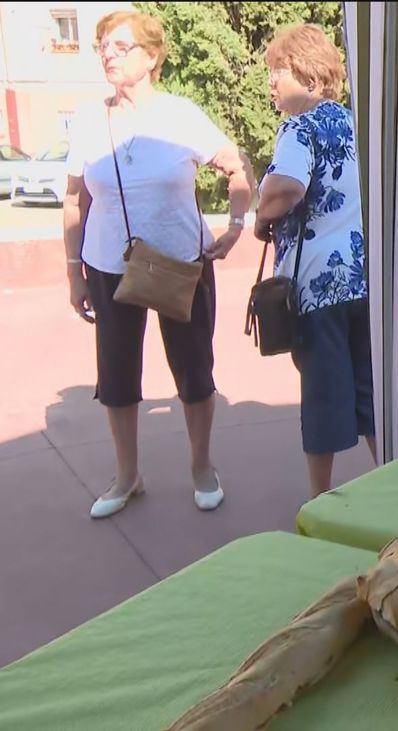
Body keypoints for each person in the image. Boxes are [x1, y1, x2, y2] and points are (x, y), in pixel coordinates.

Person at [63, 10, 254, 518]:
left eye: (121, 46)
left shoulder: (179, 115)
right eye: (103, 45)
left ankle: (201, 466)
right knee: (117, 376)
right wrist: (72, 272)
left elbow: (238, 169)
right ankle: (128, 476)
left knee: (193, 372)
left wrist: (235, 227)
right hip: (110, 264)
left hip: (179, 261)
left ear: (151, 56)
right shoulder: (88, 119)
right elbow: (73, 200)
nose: (107, 53)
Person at [255, 24, 374, 497]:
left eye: (278, 70)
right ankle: (395, 487)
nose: (271, 81)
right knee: (372, 392)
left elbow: (286, 187)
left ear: (308, 75)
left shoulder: (299, 126)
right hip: (365, 276)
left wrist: (264, 211)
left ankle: (319, 499)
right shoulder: (355, 123)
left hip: (319, 283)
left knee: (323, 394)